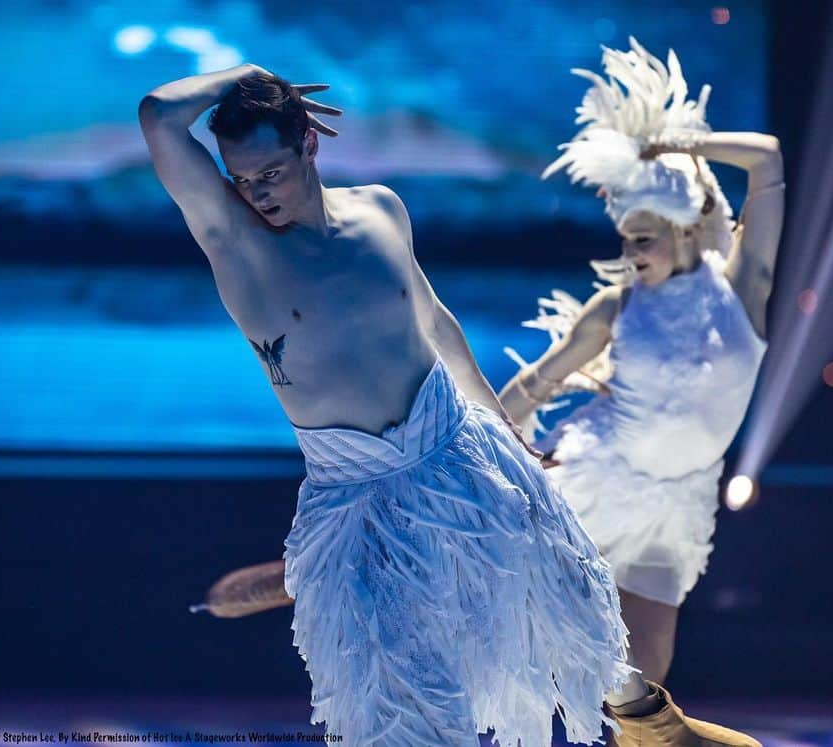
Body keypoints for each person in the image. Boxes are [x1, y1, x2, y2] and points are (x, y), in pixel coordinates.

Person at [138, 63, 634, 746]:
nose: (256, 193)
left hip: (458, 454)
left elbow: (436, 322)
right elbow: (158, 114)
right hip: (355, 495)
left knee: (556, 633)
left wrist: (507, 433)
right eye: (241, 180)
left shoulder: (381, 209)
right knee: (398, 708)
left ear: (308, 143)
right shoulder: (236, 241)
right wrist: (250, 74)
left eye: (270, 173)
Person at [496, 38, 782, 744]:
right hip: (596, 479)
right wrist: (498, 443)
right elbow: (537, 381)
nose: (631, 253)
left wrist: (676, 142)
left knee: (641, 695)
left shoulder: (743, 292)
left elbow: (769, 160)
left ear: (686, 228)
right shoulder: (618, 309)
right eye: (625, 239)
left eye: (644, 237)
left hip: (676, 504)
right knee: (517, 628)